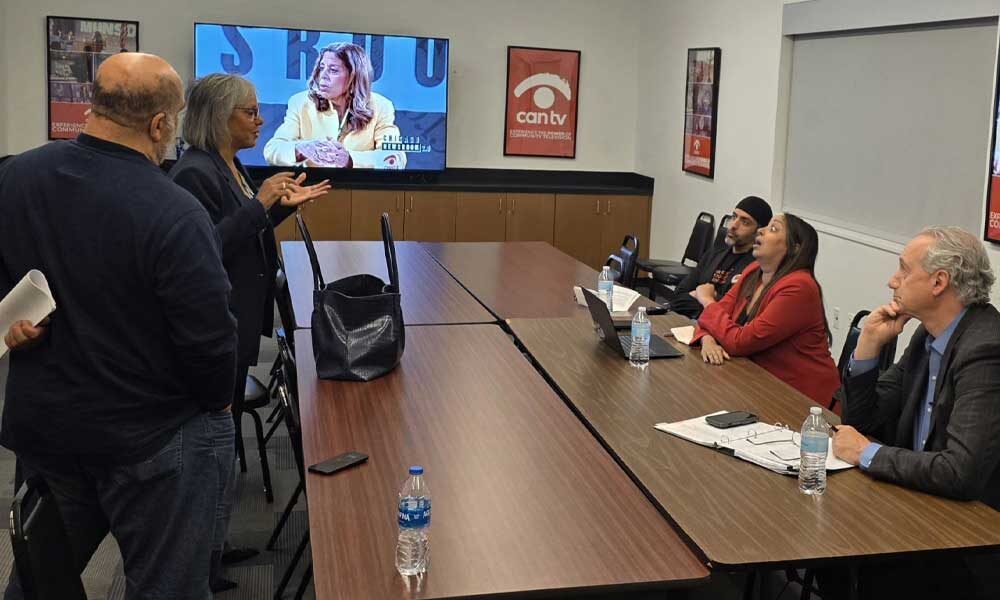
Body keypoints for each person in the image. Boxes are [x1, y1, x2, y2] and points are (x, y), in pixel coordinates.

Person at [0, 53, 236, 599]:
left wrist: (11, 320)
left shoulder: (15, 176)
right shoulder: (175, 212)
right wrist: (218, 402)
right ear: (160, 125)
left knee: (39, 584)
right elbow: (210, 344)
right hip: (150, 441)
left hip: (49, 431)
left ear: (95, 105)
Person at [169, 73, 330, 592]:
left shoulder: (228, 165)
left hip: (234, 327)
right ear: (220, 117)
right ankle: (198, 564)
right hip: (217, 328)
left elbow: (242, 234)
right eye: (251, 112)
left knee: (222, 447)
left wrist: (277, 209)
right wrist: (261, 205)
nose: (261, 120)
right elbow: (208, 249)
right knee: (209, 454)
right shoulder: (194, 174)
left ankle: (211, 552)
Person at [826, 226, 1000, 598]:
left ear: (939, 282)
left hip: (970, 542)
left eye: (904, 270)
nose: (892, 281)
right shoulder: (927, 335)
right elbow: (863, 422)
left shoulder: (986, 350)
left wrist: (868, 453)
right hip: (918, 506)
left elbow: (960, 472)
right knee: (831, 551)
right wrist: (868, 344)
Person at [690, 213, 840, 405]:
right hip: (757, 383)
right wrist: (707, 339)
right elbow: (715, 317)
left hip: (802, 400)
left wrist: (706, 300)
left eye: (773, 228)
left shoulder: (799, 287)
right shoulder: (754, 271)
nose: (761, 230)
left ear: (794, 248)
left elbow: (739, 342)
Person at [263, 42, 406, 169]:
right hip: (311, 185)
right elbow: (272, 150)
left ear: (354, 76)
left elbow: (395, 159)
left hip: (357, 186)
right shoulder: (301, 103)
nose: (323, 76)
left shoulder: (381, 106)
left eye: (333, 70)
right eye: (321, 68)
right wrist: (300, 150)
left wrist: (349, 160)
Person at [665, 195, 772, 319]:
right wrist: (708, 298)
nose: (733, 225)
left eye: (745, 222)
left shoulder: (756, 268)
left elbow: (735, 313)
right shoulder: (714, 254)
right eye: (734, 217)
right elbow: (679, 294)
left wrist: (701, 295)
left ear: (759, 232)